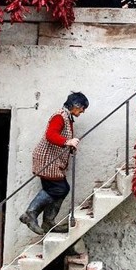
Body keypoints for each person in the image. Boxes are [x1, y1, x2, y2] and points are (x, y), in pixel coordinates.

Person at [20, 92, 89, 235]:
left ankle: (47, 222)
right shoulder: (59, 116)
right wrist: (67, 142)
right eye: (83, 108)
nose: (83, 111)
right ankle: (31, 214)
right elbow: (50, 135)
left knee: (59, 189)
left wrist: (68, 146)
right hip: (46, 159)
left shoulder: (67, 117)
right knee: (60, 188)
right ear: (76, 105)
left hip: (52, 160)